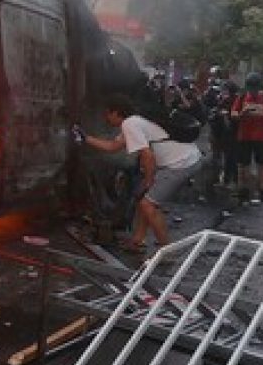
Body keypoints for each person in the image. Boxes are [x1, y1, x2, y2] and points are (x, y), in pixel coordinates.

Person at [81, 93, 202, 253]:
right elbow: (112, 146)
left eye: (107, 114)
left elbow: (148, 156)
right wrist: (86, 138)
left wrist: (148, 180)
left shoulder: (130, 124)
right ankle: (137, 241)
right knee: (142, 198)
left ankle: (167, 252)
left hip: (182, 163)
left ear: (116, 112)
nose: (106, 118)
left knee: (147, 204)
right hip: (185, 159)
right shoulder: (134, 122)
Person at [231, 72, 263, 204]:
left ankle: (262, 190)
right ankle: (242, 190)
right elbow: (233, 113)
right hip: (244, 136)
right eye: (251, 89)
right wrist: (242, 113)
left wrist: (262, 114)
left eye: (256, 89)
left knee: (262, 164)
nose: (254, 92)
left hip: (261, 137)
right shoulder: (242, 97)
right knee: (243, 165)